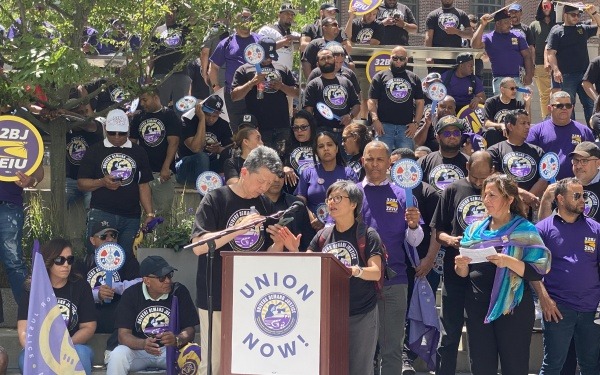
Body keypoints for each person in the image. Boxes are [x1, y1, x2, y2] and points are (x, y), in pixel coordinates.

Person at [190, 146, 300, 375]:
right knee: (214, 364)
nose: (264, 188)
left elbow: (265, 258)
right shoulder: (216, 199)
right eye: (260, 181)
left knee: (248, 363)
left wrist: (279, 244)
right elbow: (199, 246)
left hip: (253, 298)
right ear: (244, 172)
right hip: (217, 295)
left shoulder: (265, 205)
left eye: (269, 184)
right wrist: (237, 229)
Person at [455, 174, 550, 375]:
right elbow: (463, 274)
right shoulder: (474, 230)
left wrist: (508, 261)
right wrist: (461, 266)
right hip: (477, 309)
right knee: (481, 367)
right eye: (485, 194)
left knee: (514, 367)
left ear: (509, 199)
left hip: (512, 310)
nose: (486, 199)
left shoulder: (525, 230)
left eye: (493, 195)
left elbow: (538, 270)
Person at [358, 142, 424, 375]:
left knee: (392, 349)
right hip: (358, 281)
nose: (375, 164)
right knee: (360, 350)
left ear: (389, 163)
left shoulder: (403, 195)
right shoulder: (351, 194)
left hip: (394, 282)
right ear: (362, 161)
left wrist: (414, 226)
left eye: (380, 159)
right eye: (370, 159)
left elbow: (415, 241)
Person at [307, 180, 384, 375]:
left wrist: (354, 270)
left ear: (353, 204)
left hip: (361, 313)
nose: (332, 202)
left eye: (338, 198)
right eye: (330, 198)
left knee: (359, 369)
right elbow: (307, 267)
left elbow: (376, 271)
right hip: (329, 314)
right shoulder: (323, 235)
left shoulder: (367, 234)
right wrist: (292, 248)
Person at [431, 151, 494, 375]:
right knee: (450, 333)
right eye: (475, 178)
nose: (479, 183)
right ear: (467, 167)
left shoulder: (496, 192)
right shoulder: (453, 189)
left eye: (483, 179)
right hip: (455, 270)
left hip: (486, 274)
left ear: (492, 172)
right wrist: (450, 240)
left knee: (480, 335)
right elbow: (438, 231)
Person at [534, 178, 600, 374]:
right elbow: (532, 269)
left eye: (584, 195)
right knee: (553, 365)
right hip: (558, 308)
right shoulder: (543, 229)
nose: (583, 200)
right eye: (577, 196)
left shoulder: (595, 229)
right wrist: (544, 300)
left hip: (591, 309)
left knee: (591, 366)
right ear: (561, 199)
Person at [77, 109, 154, 261]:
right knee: (98, 258)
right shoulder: (95, 150)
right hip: (102, 212)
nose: (117, 137)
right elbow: (81, 183)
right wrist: (102, 182)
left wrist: (150, 213)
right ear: (105, 129)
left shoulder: (139, 152)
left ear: (128, 131)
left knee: (125, 260)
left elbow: (143, 185)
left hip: (131, 216)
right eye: (112, 133)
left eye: (122, 133)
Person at [106, 255, 199, 374]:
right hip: (139, 351)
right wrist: (143, 344)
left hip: (170, 351)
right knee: (117, 355)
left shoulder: (179, 291)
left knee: (194, 352)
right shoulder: (131, 294)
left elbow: (190, 329)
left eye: (169, 275)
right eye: (161, 278)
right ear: (146, 281)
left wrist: (177, 339)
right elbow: (123, 335)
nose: (168, 281)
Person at [17, 238, 96, 374]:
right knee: (27, 360)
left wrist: (64, 345)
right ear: (49, 261)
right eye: (60, 260)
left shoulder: (81, 286)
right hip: (38, 349)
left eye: (70, 260)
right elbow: (24, 331)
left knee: (81, 355)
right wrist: (43, 351)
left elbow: (88, 327)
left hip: (73, 345)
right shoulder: (32, 288)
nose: (66, 265)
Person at [78, 221, 142, 362]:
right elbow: (76, 291)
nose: (109, 239)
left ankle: (112, 350)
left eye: (113, 235)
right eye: (103, 236)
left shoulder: (127, 259)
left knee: (132, 309)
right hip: (90, 312)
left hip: (118, 312)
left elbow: (140, 283)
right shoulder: (83, 262)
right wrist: (97, 294)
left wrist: (117, 287)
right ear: (92, 240)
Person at [231, 37, 298, 149]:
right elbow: (234, 96)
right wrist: (251, 83)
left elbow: (297, 93)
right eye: (266, 56)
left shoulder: (282, 68)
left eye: (271, 56)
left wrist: (281, 86)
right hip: (257, 128)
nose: (268, 60)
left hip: (281, 125)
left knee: (281, 160)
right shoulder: (244, 69)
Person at [130, 87, 181, 218]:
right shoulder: (138, 117)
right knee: (142, 213)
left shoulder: (169, 115)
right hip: (143, 173)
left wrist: (166, 167)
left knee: (163, 211)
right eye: (140, 100)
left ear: (156, 98)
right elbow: (131, 143)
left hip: (162, 173)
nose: (142, 104)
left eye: (145, 100)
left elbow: (173, 142)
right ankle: (143, 238)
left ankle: (162, 239)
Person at [0, 153, 44, 306]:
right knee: (14, 261)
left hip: (8, 203)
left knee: (13, 261)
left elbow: (38, 170)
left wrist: (32, 180)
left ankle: (30, 314)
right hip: (9, 204)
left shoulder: (22, 130)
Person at [546, 3, 600, 124]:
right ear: (565, 15)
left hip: (584, 76)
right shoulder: (557, 31)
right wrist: (556, 70)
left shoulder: (582, 28)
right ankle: (571, 134)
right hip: (566, 76)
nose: (576, 17)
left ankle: (593, 133)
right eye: (573, 15)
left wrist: (593, 12)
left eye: (578, 15)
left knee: (591, 104)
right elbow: (551, 53)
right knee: (568, 105)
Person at [209, 9, 261, 131]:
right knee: (237, 131)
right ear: (235, 21)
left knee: (257, 128)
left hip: (256, 93)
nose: (246, 21)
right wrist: (216, 88)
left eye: (250, 19)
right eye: (243, 18)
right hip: (234, 95)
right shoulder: (226, 42)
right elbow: (213, 67)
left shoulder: (260, 40)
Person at [487, 109, 546, 214]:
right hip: (503, 209)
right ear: (510, 126)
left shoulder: (537, 151)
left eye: (528, 123)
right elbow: (494, 179)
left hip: (531, 209)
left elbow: (544, 178)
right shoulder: (495, 151)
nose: (528, 127)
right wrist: (521, 195)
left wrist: (527, 200)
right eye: (523, 123)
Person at [296, 131, 358, 230]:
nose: (326, 149)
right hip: (312, 227)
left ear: (336, 148)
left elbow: (355, 202)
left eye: (329, 145)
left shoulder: (348, 173)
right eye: (321, 146)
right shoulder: (307, 173)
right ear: (316, 151)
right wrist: (312, 219)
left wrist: (329, 221)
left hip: (341, 228)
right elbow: (300, 201)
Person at [526, 91, 595, 181]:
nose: (564, 108)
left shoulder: (584, 131)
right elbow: (528, 159)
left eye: (568, 105)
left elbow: (593, 159)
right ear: (549, 108)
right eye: (559, 106)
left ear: (572, 108)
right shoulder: (536, 131)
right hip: (545, 186)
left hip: (575, 185)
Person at [369, 46, 424, 151]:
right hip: (384, 127)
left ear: (406, 60)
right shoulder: (380, 76)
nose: (398, 61)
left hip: (406, 129)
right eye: (395, 58)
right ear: (390, 58)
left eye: (402, 59)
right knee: (381, 159)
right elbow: (372, 101)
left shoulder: (414, 78)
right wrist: (375, 120)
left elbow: (420, 102)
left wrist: (416, 124)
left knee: (406, 162)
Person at [304, 49, 361, 143]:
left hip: (345, 132)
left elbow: (357, 105)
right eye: (323, 59)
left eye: (329, 58)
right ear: (318, 64)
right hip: (322, 133)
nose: (326, 61)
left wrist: (350, 116)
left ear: (334, 60)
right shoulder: (313, 84)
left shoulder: (346, 82)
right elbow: (308, 111)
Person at [471, 10, 533, 95]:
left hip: (518, 79)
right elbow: (475, 45)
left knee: (519, 107)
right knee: (501, 107)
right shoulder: (489, 38)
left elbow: (527, 56)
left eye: (510, 21)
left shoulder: (518, 36)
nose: (510, 25)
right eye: (506, 22)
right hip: (500, 80)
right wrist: (482, 25)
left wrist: (529, 75)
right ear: (498, 23)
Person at [147, 6, 191, 117]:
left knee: (182, 110)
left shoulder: (183, 28)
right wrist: (148, 74)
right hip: (161, 74)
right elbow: (151, 55)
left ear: (176, 13)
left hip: (181, 73)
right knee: (161, 108)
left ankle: (181, 132)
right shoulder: (157, 30)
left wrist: (182, 3)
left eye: (173, 11)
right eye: (168, 11)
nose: (170, 14)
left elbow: (194, 16)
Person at [418, 115, 468, 192]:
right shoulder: (424, 162)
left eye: (456, 133)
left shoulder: (470, 162)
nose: (452, 136)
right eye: (447, 133)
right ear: (438, 138)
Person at [264, 174, 313, 251]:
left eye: (280, 175)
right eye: (273, 175)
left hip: (294, 258)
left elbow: (307, 238)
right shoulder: (254, 203)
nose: (277, 180)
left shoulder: (296, 204)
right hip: (260, 259)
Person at [424, 0, 473, 74]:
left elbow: (470, 35)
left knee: (454, 84)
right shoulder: (432, 15)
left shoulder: (462, 14)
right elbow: (428, 36)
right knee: (437, 85)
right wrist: (428, 56)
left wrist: (456, 31)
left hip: (456, 58)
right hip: (437, 58)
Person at [482, 77, 530, 147]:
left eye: (516, 88)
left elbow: (527, 122)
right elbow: (486, 124)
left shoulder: (517, 104)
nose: (515, 91)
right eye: (512, 88)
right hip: (496, 136)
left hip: (511, 137)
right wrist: (501, 125)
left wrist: (527, 104)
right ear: (502, 89)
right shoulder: (491, 102)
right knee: (491, 132)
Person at [529, 0, 556, 120]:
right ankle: (546, 119)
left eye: (548, 5)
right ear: (540, 7)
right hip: (540, 64)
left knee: (557, 93)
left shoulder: (558, 23)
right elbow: (531, 47)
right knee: (545, 95)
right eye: (544, 5)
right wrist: (532, 66)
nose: (546, 7)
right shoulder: (534, 25)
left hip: (557, 64)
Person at [280, 110, 317, 191]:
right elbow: (274, 165)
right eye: (296, 128)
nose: (299, 131)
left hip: (317, 189)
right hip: (293, 192)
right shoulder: (286, 145)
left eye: (303, 127)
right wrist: (283, 168)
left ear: (311, 127)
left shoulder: (320, 143)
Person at [257, 4, 301, 72]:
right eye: (287, 13)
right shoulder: (267, 30)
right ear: (279, 15)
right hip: (269, 72)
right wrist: (282, 43)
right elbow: (260, 49)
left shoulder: (293, 34)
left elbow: (306, 39)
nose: (290, 16)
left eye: (292, 15)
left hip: (287, 75)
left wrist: (295, 37)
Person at [223, 120, 263, 185]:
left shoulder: (265, 161)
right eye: (258, 139)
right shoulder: (231, 163)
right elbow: (233, 184)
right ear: (246, 142)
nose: (262, 142)